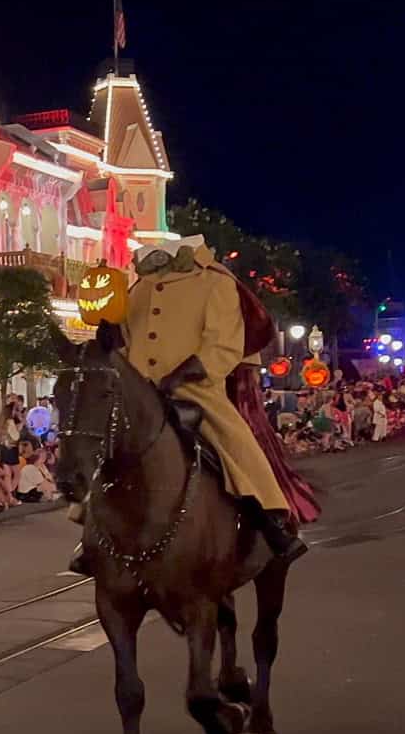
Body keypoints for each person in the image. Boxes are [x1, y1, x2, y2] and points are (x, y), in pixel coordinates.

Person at [122, 238, 308, 564]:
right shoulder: (138, 288)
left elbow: (223, 346)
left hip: (196, 391)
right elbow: (126, 343)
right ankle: (90, 525)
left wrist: (180, 375)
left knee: (232, 444)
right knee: (99, 444)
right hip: (140, 396)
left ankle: (270, 517)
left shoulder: (216, 282)